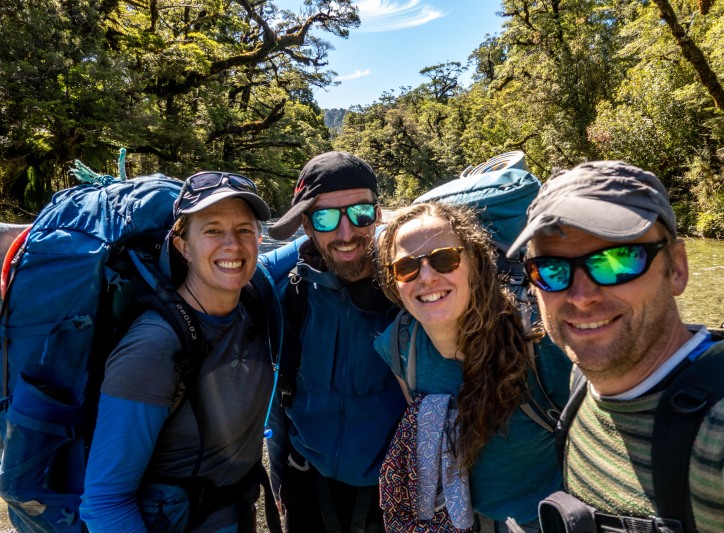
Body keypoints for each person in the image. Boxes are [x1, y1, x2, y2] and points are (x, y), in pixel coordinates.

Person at [507, 160, 724, 532]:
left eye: (617, 260)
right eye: (551, 269)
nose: (581, 296)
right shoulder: (582, 380)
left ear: (676, 268)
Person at [80, 172, 278, 532]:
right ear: (183, 246)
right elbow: (105, 501)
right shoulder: (154, 348)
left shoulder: (253, 294)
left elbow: (322, 243)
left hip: (235, 514)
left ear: (258, 240)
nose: (232, 245)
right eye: (213, 230)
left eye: (244, 230)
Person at [374, 202, 572, 532]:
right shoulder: (398, 347)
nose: (427, 277)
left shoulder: (539, 341)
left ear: (474, 262)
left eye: (444, 259)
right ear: (394, 282)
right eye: (406, 267)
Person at [266, 151, 408, 532]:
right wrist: (278, 476)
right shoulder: (289, 294)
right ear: (307, 226)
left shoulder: (409, 290)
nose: (346, 233)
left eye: (360, 213)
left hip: (391, 492)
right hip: (306, 485)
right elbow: (278, 396)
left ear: (378, 215)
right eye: (326, 218)